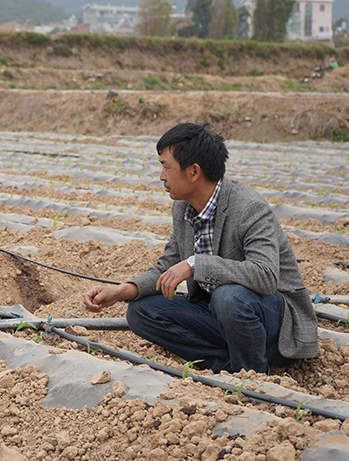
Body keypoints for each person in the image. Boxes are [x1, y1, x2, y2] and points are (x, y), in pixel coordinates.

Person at [83, 123, 318, 374]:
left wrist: (196, 264)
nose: (162, 176)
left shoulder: (248, 207)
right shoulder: (184, 207)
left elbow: (266, 276)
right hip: (221, 314)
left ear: (193, 172)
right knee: (140, 311)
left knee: (228, 297)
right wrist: (122, 290)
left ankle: (252, 374)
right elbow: (169, 263)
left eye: (166, 166)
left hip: (272, 324)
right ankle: (226, 366)